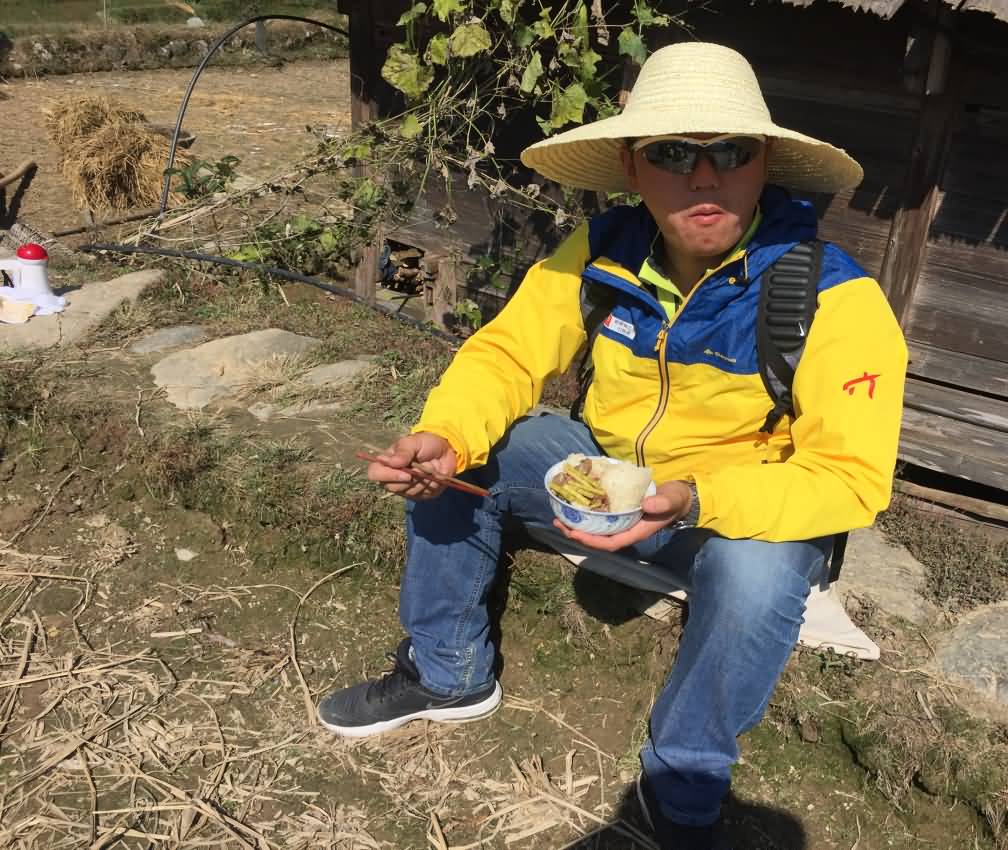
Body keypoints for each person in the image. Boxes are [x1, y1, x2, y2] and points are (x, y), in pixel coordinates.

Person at [318, 41, 908, 849]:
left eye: (731, 152)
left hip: (728, 515)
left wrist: (697, 498)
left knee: (758, 572)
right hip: (612, 487)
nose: (704, 178)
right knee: (473, 449)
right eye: (673, 154)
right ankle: (448, 673)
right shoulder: (603, 250)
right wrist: (445, 436)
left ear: (765, 163)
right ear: (632, 167)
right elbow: (507, 355)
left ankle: (681, 789)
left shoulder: (834, 296)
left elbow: (848, 476)